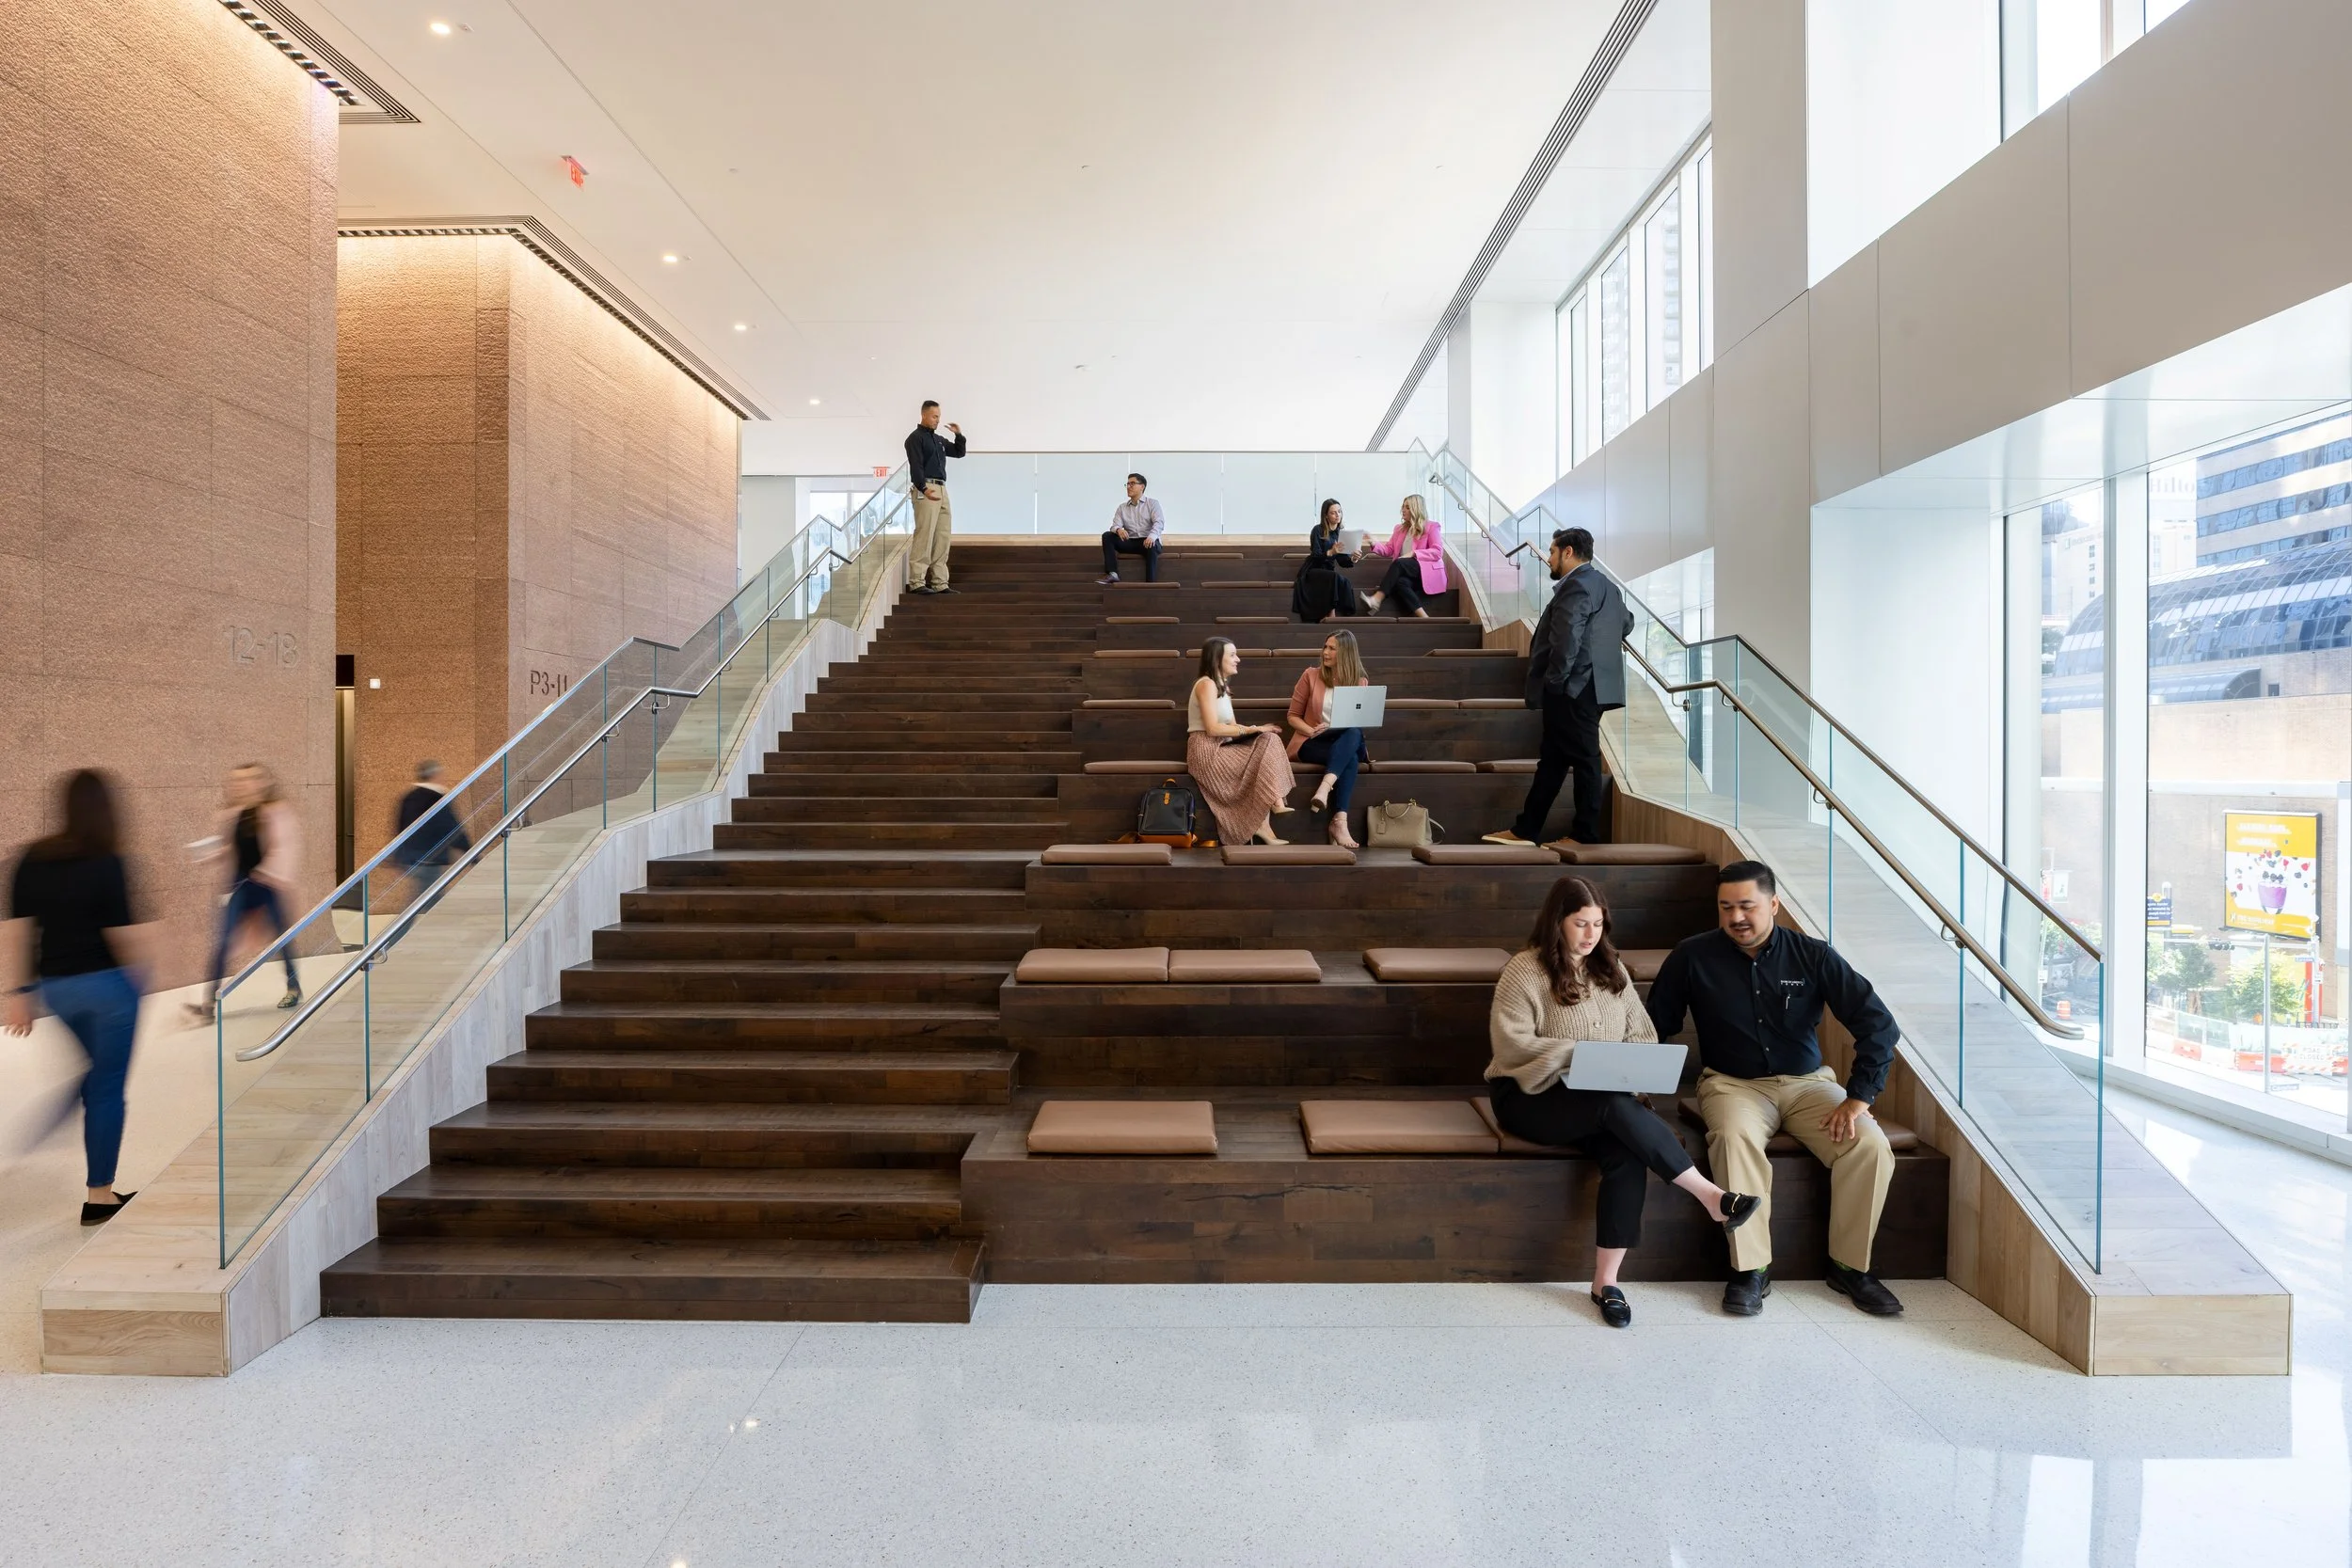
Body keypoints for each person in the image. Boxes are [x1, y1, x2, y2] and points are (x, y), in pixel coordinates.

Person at [1487, 876, 1760, 1327]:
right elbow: (1510, 1046)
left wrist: (1619, 1065)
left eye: (1598, 924)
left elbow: (1643, 1034)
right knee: (1610, 1106)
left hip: (1599, 1093)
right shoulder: (1525, 968)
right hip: (1528, 1094)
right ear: (1557, 922)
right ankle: (1712, 1197)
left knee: (1626, 1152)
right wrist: (1582, 1056)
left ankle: (1606, 1283)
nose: (1591, 934)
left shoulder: (1609, 967)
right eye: (1581, 924)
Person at [1645, 861, 1906, 1319]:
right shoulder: (1692, 955)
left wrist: (1859, 1098)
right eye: (1726, 907)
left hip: (1809, 1085)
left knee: (1868, 1144)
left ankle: (1849, 1267)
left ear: (1774, 905)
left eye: (1747, 906)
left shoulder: (1814, 955)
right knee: (1733, 1138)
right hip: (1732, 1085)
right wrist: (1632, 1081)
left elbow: (1878, 1024)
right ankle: (1751, 1270)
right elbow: (1654, 1028)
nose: (1736, 917)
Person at [5, 770, 152, 1225]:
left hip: (58, 991)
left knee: (96, 1075)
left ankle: (66, 1113)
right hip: (109, 989)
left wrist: (19, 992)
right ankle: (99, 1197)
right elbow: (123, 937)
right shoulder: (110, 861)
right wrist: (140, 980)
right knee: (107, 1088)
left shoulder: (31, 857)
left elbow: (16, 930)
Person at [1484, 527, 1628, 850]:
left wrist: (1556, 683)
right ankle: (1527, 829)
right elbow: (1626, 623)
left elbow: (1567, 639)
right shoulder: (1608, 587)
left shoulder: (1576, 586)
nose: (1548, 558)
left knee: (1585, 759)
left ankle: (1584, 835)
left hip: (1573, 687)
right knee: (1553, 760)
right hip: (1596, 686)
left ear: (1568, 552)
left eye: (1551, 551)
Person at [189, 763, 303, 1021]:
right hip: (240, 886)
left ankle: (294, 987)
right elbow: (232, 851)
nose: (242, 784)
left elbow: (284, 849)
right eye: (238, 780)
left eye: (249, 779)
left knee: (283, 940)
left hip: (268, 886)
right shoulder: (235, 814)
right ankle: (208, 1004)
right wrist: (211, 856)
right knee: (222, 941)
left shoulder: (277, 812)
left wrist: (266, 874)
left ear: (263, 782)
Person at [1185, 637, 1295, 847]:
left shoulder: (1223, 687)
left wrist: (1256, 731)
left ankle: (1272, 808)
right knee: (1264, 740)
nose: (1238, 660)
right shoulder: (1206, 684)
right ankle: (1270, 811)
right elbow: (1213, 728)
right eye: (1233, 655)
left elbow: (1233, 728)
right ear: (1217, 659)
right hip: (1206, 750)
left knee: (1269, 739)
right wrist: (1254, 729)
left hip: (1224, 745)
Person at [1284, 629, 1371, 848]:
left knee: (1352, 730)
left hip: (1345, 738)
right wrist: (1313, 730)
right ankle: (1339, 823)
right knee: (1349, 759)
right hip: (1312, 741)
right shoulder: (1310, 675)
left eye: (1332, 648)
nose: (1325, 652)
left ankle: (1325, 788)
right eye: (1325, 647)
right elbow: (1293, 716)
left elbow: (1357, 721)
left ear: (1346, 653)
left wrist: (1332, 726)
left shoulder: (1360, 682)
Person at [902, 400, 966, 594]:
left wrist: (958, 435)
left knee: (943, 536)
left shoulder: (938, 440)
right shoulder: (914, 438)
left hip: (942, 489)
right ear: (924, 415)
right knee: (925, 534)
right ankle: (917, 582)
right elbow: (916, 466)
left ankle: (940, 583)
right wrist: (923, 488)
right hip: (926, 488)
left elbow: (959, 453)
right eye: (934, 416)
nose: (938, 420)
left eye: (939, 416)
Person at [388, 760, 472, 902]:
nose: (443, 777)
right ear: (434, 775)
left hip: (411, 858)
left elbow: (399, 827)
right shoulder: (436, 797)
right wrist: (469, 851)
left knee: (426, 899)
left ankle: (411, 923)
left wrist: (397, 858)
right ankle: (404, 925)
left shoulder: (409, 796)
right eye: (441, 774)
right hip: (430, 858)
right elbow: (450, 826)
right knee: (427, 901)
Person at [1360, 494, 1446, 617]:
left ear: (1416, 508)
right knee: (1400, 582)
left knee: (1399, 562)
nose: (1403, 510)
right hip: (1407, 573)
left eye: (1407, 507)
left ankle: (1377, 599)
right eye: (1403, 507)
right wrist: (1373, 542)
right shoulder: (1399, 529)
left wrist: (1413, 553)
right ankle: (1424, 618)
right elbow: (1389, 550)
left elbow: (1437, 552)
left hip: (1425, 572)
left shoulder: (1431, 526)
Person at [1290, 499, 1364, 622]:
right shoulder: (1317, 530)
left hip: (1328, 571)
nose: (1337, 515)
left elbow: (1342, 561)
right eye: (1333, 512)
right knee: (1333, 577)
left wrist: (1353, 558)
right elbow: (1316, 555)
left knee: (1344, 581)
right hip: (1312, 570)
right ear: (1326, 515)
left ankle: (1333, 614)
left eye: (1339, 512)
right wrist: (1331, 552)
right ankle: (1331, 614)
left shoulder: (1340, 533)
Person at [1098, 473, 1166, 584]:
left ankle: (1150, 583)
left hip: (1148, 542)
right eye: (1128, 484)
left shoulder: (1153, 503)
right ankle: (1112, 574)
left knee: (1152, 546)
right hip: (1131, 542)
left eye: (1132, 483)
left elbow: (1159, 523)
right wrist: (1119, 530)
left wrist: (1152, 537)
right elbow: (1115, 525)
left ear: (1142, 487)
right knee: (1107, 536)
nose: (1129, 486)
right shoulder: (1122, 507)